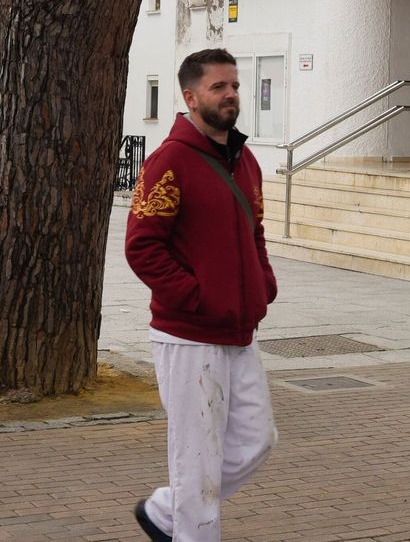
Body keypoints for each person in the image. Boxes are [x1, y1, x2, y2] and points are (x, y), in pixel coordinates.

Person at [127, 49, 279, 542]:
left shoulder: (244, 159)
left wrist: (263, 282)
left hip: (239, 330)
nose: (231, 94)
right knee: (197, 461)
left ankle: (166, 511)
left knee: (257, 441)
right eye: (218, 87)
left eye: (234, 85)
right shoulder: (167, 163)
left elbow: (255, 230)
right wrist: (196, 297)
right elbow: (142, 247)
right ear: (191, 97)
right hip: (189, 335)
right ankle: (187, 526)